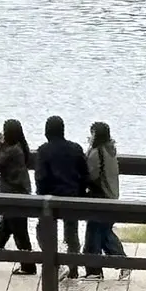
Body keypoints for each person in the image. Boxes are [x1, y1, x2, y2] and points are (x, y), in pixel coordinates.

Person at [33, 115, 90, 279]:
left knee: (42, 230)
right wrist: (79, 192)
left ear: (47, 131)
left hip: (50, 199)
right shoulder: (75, 148)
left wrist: (41, 196)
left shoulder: (44, 150)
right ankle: (72, 268)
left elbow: (41, 177)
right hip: (72, 196)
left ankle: (56, 263)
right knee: (71, 233)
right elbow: (85, 174)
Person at [0, 118, 35, 274]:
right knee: (5, 228)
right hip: (18, 192)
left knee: (19, 231)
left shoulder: (12, 151)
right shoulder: (20, 147)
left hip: (13, 194)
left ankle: (28, 266)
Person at [84, 120, 131, 279]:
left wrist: (88, 151)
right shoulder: (110, 150)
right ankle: (121, 264)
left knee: (95, 233)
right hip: (111, 196)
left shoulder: (97, 152)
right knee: (103, 232)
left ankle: (95, 271)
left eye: (91, 134)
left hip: (100, 197)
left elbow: (91, 174)